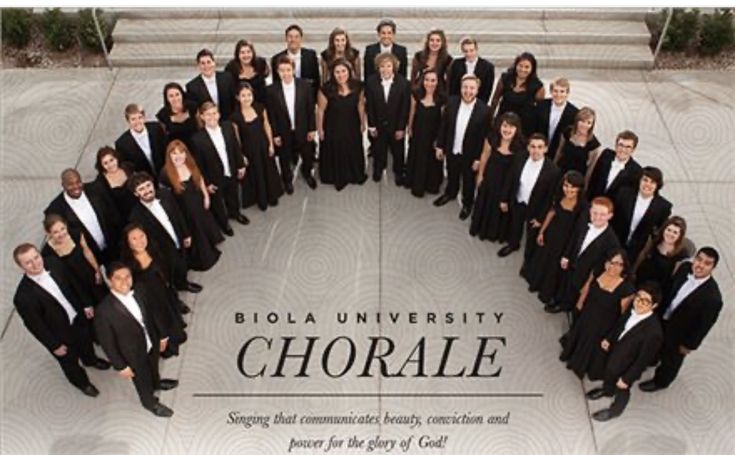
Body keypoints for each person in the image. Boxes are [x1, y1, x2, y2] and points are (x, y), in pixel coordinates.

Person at [12, 243, 109, 397]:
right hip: (59, 335)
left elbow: (74, 284)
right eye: (28, 262)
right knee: (69, 363)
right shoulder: (23, 297)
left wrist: (86, 304)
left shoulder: (54, 263)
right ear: (21, 266)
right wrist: (54, 345)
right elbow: (35, 325)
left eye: (36, 257)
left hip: (78, 318)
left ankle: (90, 360)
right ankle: (82, 383)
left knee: (86, 342)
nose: (35, 263)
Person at [94, 262, 178, 417]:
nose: (124, 281)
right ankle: (149, 403)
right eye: (118, 278)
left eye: (127, 276)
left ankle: (157, 383)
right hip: (131, 355)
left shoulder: (140, 290)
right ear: (110, 281)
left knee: (154, 366)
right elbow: (108, 343)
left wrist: (163, 335)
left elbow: (153, 313)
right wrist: (120, 366)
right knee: (142, 381)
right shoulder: (104, 311)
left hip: (150, 341)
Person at [639, 247, 724, 392]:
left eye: (707, 263)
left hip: (679, 333)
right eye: (699, 259)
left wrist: (688, 345)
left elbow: (703, 326)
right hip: (663, 318)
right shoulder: (685, 268)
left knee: (671, 360)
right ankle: (652, 359)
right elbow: (670, 287)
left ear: (713, 268)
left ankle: (661, 382)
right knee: (655, 344)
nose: (700, 265)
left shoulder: (713, 298)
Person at [586, 283, 664, 422]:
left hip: (627, 366)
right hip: (615, 353)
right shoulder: (632, 308)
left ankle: (615, 411)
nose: (639, 302)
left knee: (622, 389)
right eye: (638, 297)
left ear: (654, 306)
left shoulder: (654, 332)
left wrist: (627, 379)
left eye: (645, 301)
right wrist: (609, 339)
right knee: (609, 374)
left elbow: (642, 361)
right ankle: (607, 391)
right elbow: (620, 324)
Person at [560, 248, 636, 380]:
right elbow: (586, 289)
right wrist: (579, 306)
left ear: (624, 266)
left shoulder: (627, 289)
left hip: (603, 325)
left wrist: (611, 336)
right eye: (611, 262)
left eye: (619, 264)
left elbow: (623, 316)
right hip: (587, 315)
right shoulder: (598, 272)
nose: (613, 266)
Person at [128, 171, 202, 294]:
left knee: (182, 263)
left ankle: (184, 283)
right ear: (136, 194)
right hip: (161, 251)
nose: (147, 190)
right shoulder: (136, 216)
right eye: (141, 189)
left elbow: (178, 214)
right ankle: (175, 296)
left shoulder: (165, 194)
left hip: (177, 238)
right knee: (169, 274)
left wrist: (186, 234)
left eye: (148, 185)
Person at [120, 225, 188, 358]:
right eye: (134, 239)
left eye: (142, 236)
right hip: (149, 300)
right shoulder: (127, 263)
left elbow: (165, 266)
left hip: (163, 290)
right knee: (159, 322)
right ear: (127, 242)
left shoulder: (153, 248)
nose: (140, 241)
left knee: (170, 312)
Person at [546, 196, 620, 314]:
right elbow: (573, 239)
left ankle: (564, 305)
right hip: (572, 260)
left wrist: (589, 281)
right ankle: (557, 298)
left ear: (610, 216)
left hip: (586, 271)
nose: (597, 217)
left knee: (573, 289)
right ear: (590, 211)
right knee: (564, 281)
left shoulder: (612, 240)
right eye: (595, 213)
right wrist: (566, 255)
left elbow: (602, 263)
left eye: (602, 214)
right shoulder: (583, 222)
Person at [522, 171, 588, 304]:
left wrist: (568, 253)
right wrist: (542, 231)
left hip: (565, 240)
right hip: (551, 232)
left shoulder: (583, 207)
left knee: (553, 266)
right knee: (542, 257)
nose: (568, 189)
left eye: (572, 187)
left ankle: (545, 291)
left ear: (579, 189)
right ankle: (535, 283)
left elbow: (577, 232)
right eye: (566, 185)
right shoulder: (560, 196)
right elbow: (552, 213)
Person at [159, 140, 223, 271]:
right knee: (195, 230)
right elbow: (167, 199)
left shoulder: (190, 163)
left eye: (181, 152)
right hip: (185, 210)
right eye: (174, 153)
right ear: (169, 155)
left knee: (204, 223)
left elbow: (200, 178)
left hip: (198, 202)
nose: (178, 156)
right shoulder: (165, 173)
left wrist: (206, 195)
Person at [433, 74, 490, 220]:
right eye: (465, 87)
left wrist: (478, 159)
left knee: (468, 180)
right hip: (452, 148)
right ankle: (450, 193)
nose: (468, 91)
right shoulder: (451, 102)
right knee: (452, 173)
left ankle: (467, 203)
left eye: (472, 88)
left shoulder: (484, 110)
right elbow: (444, 125)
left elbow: (484, 137)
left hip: (470, 154)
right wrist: (440, 146)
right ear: (460, 88)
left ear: (477, 90)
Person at [497, 133, 561, 258]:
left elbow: (550, 197)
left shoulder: (553, 170)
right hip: (518, 200)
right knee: (515, 225)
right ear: (528, 147)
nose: (536, 150)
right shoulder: (520, 158)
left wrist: (541, 218)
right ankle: (513, 244)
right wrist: (504, 199)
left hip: (536, 208)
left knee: (532, 234)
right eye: (532, 146)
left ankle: (529, 257)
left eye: (540, 147)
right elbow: (509, 179)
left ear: (546, 149)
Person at [191, 101, 249, 234]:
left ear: (219, 114)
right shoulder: (197, 139)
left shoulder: (228, 127)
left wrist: (240, 165)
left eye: (214, 113)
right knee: (218, 202)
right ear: (202, 117)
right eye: (208, 114)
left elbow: (235, 147)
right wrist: (206, 183)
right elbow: (199, 164)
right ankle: (224, 224)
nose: (212, 117)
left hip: (231, 169)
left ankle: (235, 213)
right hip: (214, 177)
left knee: (233, 194)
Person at [45, 168, 122, 264]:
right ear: (63, 185)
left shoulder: (96, 189)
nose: (76, 187)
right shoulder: (56, 209)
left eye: (78, 182)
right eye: (70, 184)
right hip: (88, 257)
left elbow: (114, 213)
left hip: (113, 245)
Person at [266, 54, 318, 191]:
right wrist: (275, 134)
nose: (285, 73)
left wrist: (312, 129)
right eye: (282, 70)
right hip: (284, 131)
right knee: (284, 156)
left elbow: (310, 109)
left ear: (293, 70)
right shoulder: (271, 90)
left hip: (303, 128)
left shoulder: (305, 86)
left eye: (288, 70)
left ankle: (307, 173)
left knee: (307, 154)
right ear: (277, 72)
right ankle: (287, 179)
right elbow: (272, 115)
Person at [469, 112, 524, 241]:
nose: (507, 130)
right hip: (489, 179)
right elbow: (484, 156)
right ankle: (480, 228)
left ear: (517, 129)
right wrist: (480, 175)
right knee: (484, 202)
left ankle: (493, 232)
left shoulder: (521, 146)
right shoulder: (492, 139)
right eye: (505, 126)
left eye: (511, 127)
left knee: (499, 207)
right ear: (500, 126)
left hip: (505, 184)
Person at [317, 58, 368, 191]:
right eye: (337, 72)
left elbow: (361, 105)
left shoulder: (358, 86)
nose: (341, 75)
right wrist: (320, 129)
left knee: (352, 146)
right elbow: (321, 110)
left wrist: (363, 122)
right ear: (332, 74)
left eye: (343, 71)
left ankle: (353, 174)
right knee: (336, 147)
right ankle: (335, 175)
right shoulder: (326, 89)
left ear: (349, 71)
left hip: (352, 123)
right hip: (333, 126)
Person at [232, 83, 284, 210]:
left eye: (249, 95)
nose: (247, 98)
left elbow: (267, 126)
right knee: (256, 173)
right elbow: (236, 139)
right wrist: (241, 155)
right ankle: (261, 199)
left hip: (263, 146)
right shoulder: (235, 116)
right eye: (243, 95)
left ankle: (272, 196)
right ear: (238, 97)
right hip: (250, 150)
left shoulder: (260, 108)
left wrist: (271, 144)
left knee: (268, 170)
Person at [365, 52, 411, 184]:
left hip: (396, 125)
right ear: (378, 68)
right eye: (382, 66)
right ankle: (378, 169)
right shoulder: (371, 82)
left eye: (388, 66)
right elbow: (370, 105)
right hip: (378, 124)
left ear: (394, 67)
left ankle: (398, 171)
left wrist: (401, 128)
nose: (385, 69)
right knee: (379, 148)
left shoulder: (403, 84)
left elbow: (404, 108)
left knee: (398, 150)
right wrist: (371, 125)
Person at [42, 214, 107, 306]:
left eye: (63, 229)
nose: (61, 234)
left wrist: (97, 270)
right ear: (48, 233)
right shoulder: (47, 252)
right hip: (75, 286)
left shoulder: (76, 234)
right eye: (55, 232)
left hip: (91, 276)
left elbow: (87, 252)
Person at [611, 166, 672, 263]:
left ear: (657, 185)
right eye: (645, 180)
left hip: (635, 249)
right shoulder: (623, 193)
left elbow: (658, 231)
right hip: (613, 241)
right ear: (639, 180)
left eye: (652, 182)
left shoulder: (663, 206)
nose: (648, 184)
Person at [404, 69, 446, 197]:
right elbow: (412, 113)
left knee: (432, 160)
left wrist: (440, 140)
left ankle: (430, 184)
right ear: (423, 81)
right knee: (417, 157)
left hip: (433, 136)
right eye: (427, 80)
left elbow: (444, 122)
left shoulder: (442, 99)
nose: (429, 83)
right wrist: (410, 128)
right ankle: (416, 183)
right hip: (418, 134)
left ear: (438, 82)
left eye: (433, 80)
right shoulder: (416, 94)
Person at [489, 52, 545, 137]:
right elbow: (495, 99)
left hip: (524, 126)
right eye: (520, 66)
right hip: (504, 122)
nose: (523, 69)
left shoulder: (538, 86)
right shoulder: (505, 78)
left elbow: (539, 111)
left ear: (532, 69)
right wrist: (490, 118)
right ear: (516, 65)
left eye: (527, 67)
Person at [585, 130, 643, 202]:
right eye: (621, 145)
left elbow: (628, 199)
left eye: (628, 147)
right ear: (616, 145)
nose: (623, 149)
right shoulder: (606, 154)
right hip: (592, 202)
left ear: (633, 149)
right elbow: (593, 178)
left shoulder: (637, 171)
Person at [633, 216, 689, 289]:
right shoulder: (653, 242)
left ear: (680, 236)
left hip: (657, 291)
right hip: (638, 282)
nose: (670, 234)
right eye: (669, 230)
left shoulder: (681, 255)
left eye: (675, 232)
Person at [114, 104, 166, 179]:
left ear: (144, 117)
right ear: (128, 121)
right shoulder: (121, 143)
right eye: (133, 119)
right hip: (143, 180)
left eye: (140, 117)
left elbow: (166, 149)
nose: (137, 121)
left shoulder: (156, 128)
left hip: (165, 173)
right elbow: (127, 169)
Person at [532, 78, 578, 161]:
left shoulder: (574, 113)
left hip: (558, 154)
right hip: (538, 149)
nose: (558, 94)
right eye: (555, 91)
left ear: (567, 93)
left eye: (562, 91)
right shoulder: (541, 106)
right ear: (551, 92)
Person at [185, 48, 237, 119]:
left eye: (208, 62)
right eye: (203, 63)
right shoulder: (192, 87)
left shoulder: (227, 78)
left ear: (214, 63)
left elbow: (234, 102)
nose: (206, 66)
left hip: (228, 121)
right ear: (198, 66)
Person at [270, 24, 321, 97]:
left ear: (301, 39)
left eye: (296, 37)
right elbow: (276, 83)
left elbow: (316, 81)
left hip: (306, 97)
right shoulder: (277, 59)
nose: (293, 40)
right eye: (290, 37)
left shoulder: (311, 56)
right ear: (286, 38)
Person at [93, 146, 136, 222]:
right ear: (101, 165)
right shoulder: (100, 182)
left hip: (140, 207)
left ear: (116, 158)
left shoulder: (128, 167)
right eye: (105, 163)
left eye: (111, 160)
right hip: (122, 217)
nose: (110, 165)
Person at [554, 107, 600, 176]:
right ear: (577, 120)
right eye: (582, 121)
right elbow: (559, 152)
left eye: (589, 123)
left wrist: (584, 185)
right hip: (560, 172)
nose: (585, 125)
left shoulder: (593, 144)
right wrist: (552, 169)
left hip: (576, 179)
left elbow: (590, 170)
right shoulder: (567, 132)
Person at [446, 37, 494, 103]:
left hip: (478, 104)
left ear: (476, 49)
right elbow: (452, 87)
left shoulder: (488, 67)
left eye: (471, 50)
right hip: (458, 102)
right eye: (466, 51)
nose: (469, 54)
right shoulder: (456, 64)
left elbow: (487, 90)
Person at [225, 39, 270, 104]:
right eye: (242, 52)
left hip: (261, 104)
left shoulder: (261, 64)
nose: (246, 55)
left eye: (248, 52)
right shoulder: (231, 68)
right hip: (240, 106)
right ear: (237, 54)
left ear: (253, 52)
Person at [156, 82, 199, 149]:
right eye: (171, 96)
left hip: (196, 146)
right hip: (177, 150)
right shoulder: (163, 115)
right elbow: (163, 137)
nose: (175, 98)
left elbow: (201, 127)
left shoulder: (193, 107)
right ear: (167, 98)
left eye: (177, 94)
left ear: (182, 95)